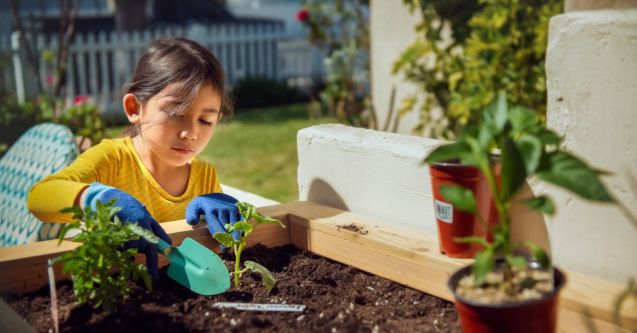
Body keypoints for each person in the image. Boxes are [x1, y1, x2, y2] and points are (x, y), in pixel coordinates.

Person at [27, 37, 242, 282]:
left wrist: (225, 211)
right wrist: (96, 198)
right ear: (134, 108)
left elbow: (214, 244)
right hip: (114, 283)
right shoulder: (112, 160)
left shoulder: (205, 175)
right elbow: (39, 197)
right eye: (175, 113)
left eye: (206, 121)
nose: (191, 133)